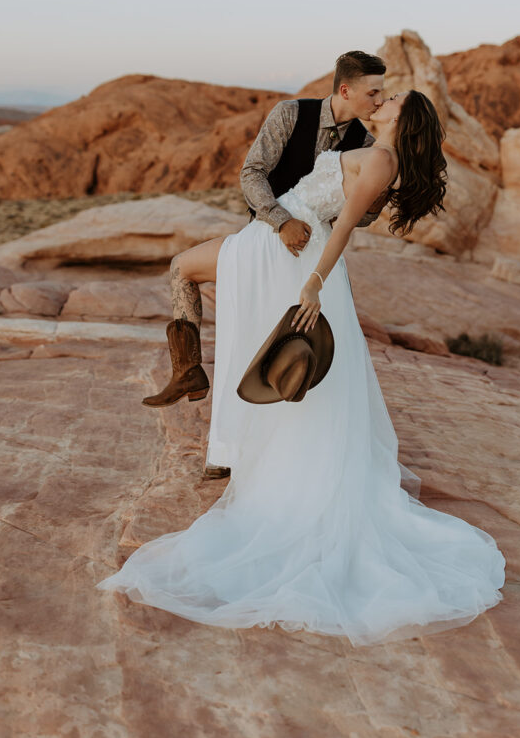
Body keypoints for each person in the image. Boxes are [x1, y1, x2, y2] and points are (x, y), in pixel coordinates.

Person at [96, 87, 506, 646]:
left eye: (392, 101)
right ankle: (212, 402)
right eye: (380, 94)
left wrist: (314, 281)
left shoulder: (382, 159)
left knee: (185, 270)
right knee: (237, 318)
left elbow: (343, 225)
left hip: (292, 254)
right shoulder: (371, 147)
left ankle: (205, 391)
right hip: (280, 242)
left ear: (405, 120)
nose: (382, 101)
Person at [142, 50, 391, 479]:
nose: (379, 100)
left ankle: (275, 455)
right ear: (345, 89)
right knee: (219, 308)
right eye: (373, 92)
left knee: (289, 351)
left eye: (383, 93)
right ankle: (190, 377)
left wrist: (379, 200)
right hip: (269, 239)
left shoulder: (368, 146)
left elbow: (359, 217)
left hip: (313, 255)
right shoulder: (291, 114)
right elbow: (252, 172)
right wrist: (280, 220)